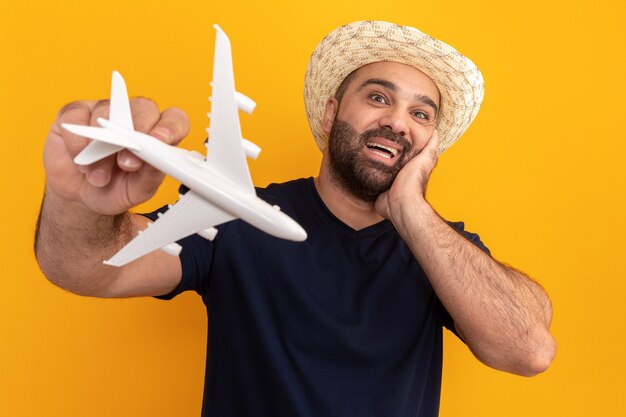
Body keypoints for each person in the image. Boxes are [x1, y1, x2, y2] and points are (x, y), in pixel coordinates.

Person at [35, 20, 556, 417]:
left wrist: (412, 210)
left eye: (421, 114)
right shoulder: (236, 218)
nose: (398, 122)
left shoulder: (442, 250)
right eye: (378, 97)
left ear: (430, 146)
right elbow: (89, 269)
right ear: (331, 114)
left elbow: (530, 350)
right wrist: (80, 201)